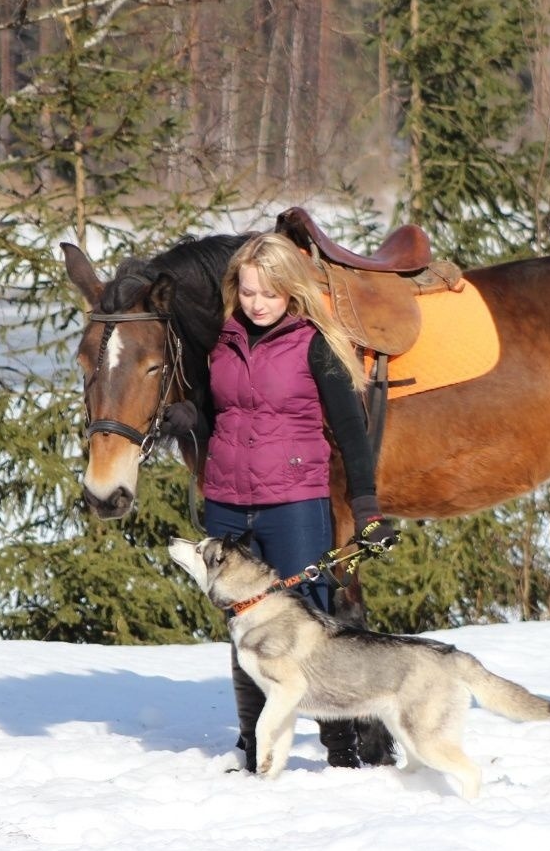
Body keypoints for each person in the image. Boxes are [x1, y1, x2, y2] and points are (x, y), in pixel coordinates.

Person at [167, 231, 396, 771]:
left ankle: (340, 752)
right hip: (226, 499)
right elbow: (219, 413)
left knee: (310, 626)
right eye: (248, 292)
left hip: (294, 502)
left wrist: (366, 507)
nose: (257, 304)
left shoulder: (315, 343)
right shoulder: (220, 342)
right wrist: (190, 418)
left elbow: (351, 432)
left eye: (269, 293)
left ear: (291, 290)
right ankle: (253, 746)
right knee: (243, 623)